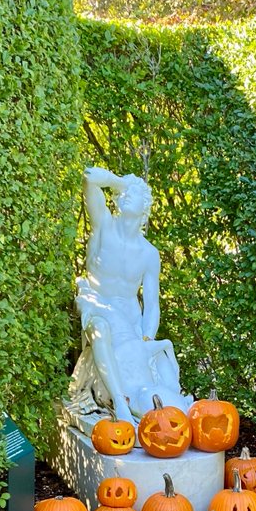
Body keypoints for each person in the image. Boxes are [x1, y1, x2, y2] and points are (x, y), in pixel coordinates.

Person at [68, 166, 191, 422]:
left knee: (151, 374)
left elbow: (152, 304)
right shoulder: (104, 224)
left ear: (145, 206)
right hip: (95, 302)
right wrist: (123, 183)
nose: (124, 194)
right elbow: (90, 177)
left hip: (130, 320)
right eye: (122, 192)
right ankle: (120, 404)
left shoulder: (149, 253)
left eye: (133, 193)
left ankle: (167, 410)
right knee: (101, 328)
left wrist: (146, 338)